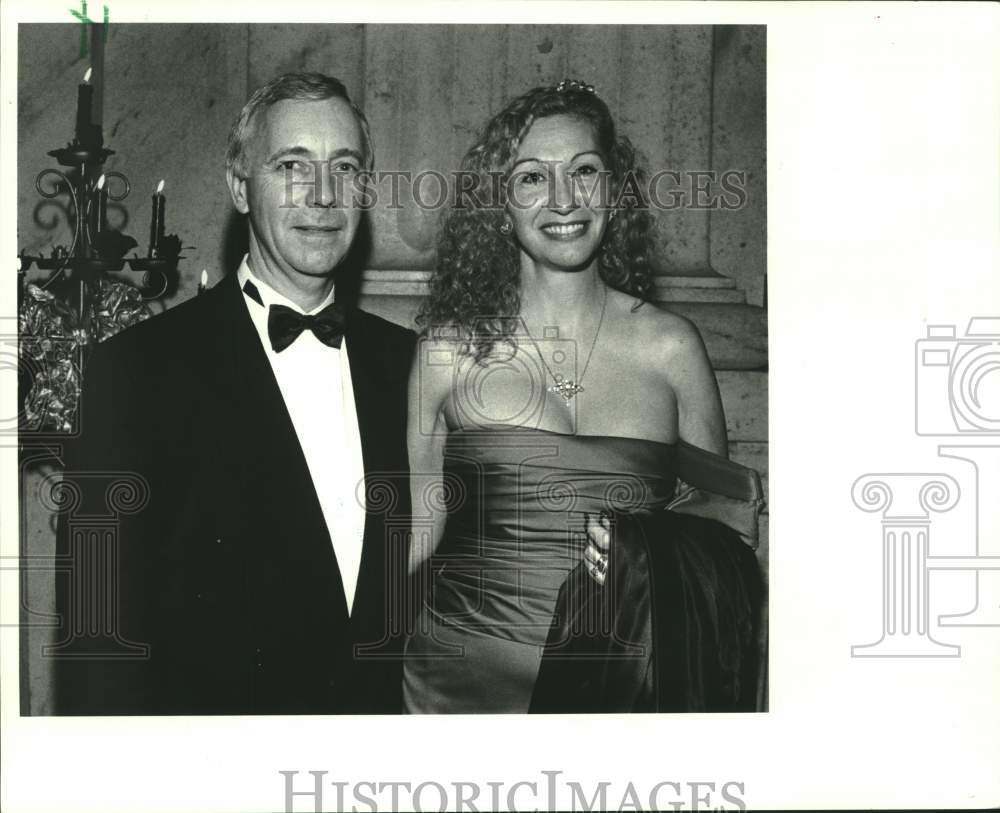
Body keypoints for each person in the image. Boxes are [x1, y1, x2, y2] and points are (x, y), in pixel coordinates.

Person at [52, 73, 415, 715]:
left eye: (345, 167)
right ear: (239, 188)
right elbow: (96, 648)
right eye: (291, 166)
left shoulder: (411, 366)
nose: (323, 195)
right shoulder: (132, 373)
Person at [403, 79, 761, 713]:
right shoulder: (444, 353)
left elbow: (725, 537)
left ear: (614, 190)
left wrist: (645, 548)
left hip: (624, 686)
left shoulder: (673, 346)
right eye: (532, 178)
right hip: (459, 685)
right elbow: (415, 542)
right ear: (500, 203)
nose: (563, 199)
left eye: (584, 171)